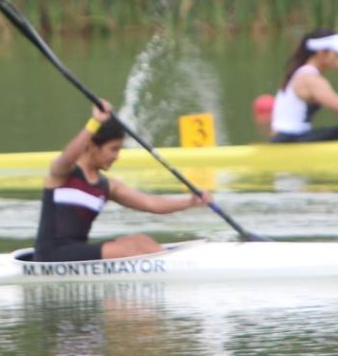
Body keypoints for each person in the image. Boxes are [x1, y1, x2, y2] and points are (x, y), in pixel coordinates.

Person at [34, 101, 213, 261]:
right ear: (92, 145)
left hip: (77, 251)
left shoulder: (108, 186)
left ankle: (171, 266)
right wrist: (95, 122)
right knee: (129, 250)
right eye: (113, 149)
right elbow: (68, 156)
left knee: (142, 241)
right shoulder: (63, 172)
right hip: (51, 255)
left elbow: (151, 203)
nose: (116, 156)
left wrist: (190, 202)